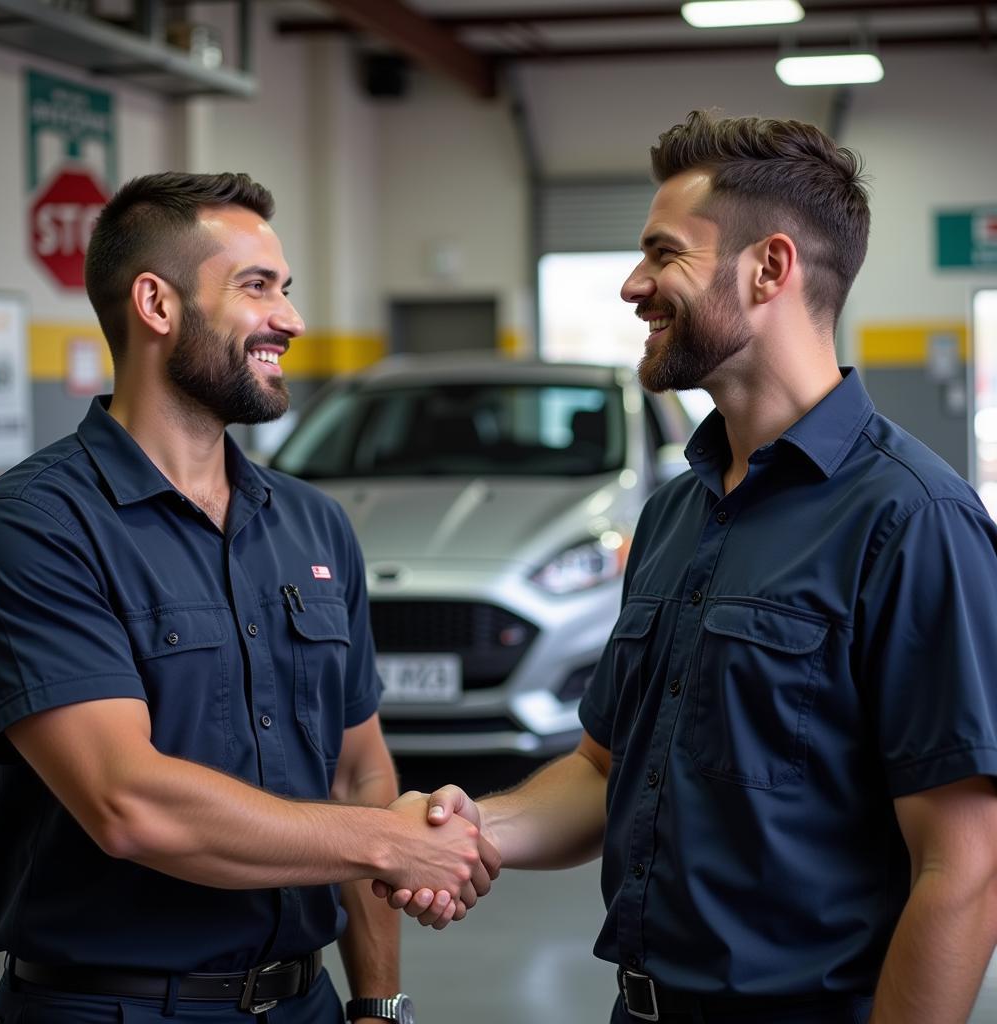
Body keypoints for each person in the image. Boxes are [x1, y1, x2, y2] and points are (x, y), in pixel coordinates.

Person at [382, 111, 997, 1024]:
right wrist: (473, 829)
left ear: (769, 269)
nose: (634, 285)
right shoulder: (675, 511)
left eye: (662, 254)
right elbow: (605, 769)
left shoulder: (913, 518)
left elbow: (963, 868)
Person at [0, 172, 498, 1024]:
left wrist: (377, 1005)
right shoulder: (37, 527)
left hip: (307, 1003)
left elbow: (359, 769)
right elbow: (127, 802)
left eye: (286, 289)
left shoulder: (315, 526)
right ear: (157, 304)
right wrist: (391, 842)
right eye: (257, 288)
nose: (289, 320)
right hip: (115, 1008)